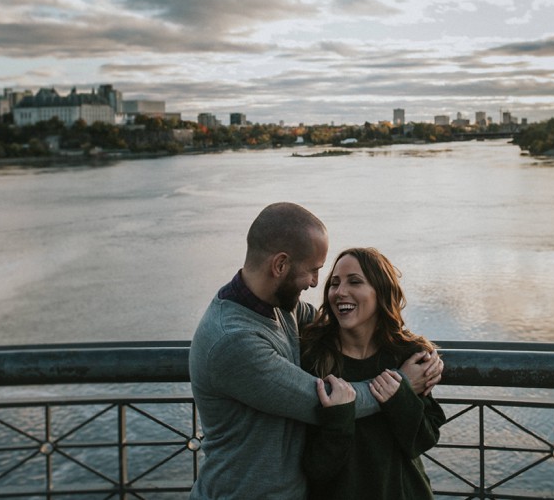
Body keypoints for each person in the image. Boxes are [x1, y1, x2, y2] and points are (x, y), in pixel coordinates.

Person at [189, 203, 443, 500]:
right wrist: (402, 384)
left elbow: (333, 317)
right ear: (280, 266)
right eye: (314, 271)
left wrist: (417, 349)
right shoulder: (232, 340)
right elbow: (322, 400)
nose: (315, 284)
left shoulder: (282, 309)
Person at [300, 246, 446, 500]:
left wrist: (400, 394)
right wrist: (340, 417)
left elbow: (424, 439)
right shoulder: (313, 356)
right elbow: (316, 467)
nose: (340, 292)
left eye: (354, 281)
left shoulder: (408, 354)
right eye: (334, 284)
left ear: (380, 291)